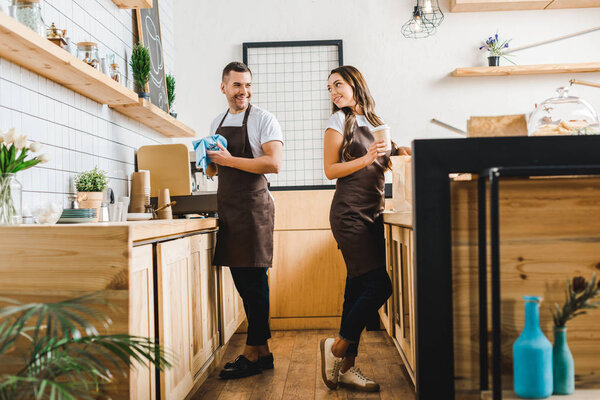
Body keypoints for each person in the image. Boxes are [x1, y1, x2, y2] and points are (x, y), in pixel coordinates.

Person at [319, 65, 410, 392]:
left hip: (373, 213)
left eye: (338, 85)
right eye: (330, 88)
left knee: (357, 289)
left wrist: (400, 154)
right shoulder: (336, 122)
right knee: (379, 286)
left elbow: (387, 160)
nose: (334, 92)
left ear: (355, 84)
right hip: (348, 215)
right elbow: (330, 169)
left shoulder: (374, 122)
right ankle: (337, 347)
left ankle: (346, 368)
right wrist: (366, 157)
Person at [207, 61, 284, 379]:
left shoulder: (264, 119)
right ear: (223, 87)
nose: (244, 91)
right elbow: (217, 168)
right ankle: (263, 354)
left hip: (254, 210)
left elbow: (273, 163)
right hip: (229, 210)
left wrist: (228, 160)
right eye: (237, 85)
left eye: (248, 85)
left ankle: (252, 352)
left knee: (254, 283)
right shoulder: (217, 120)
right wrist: (211, 164)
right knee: (244, 283)